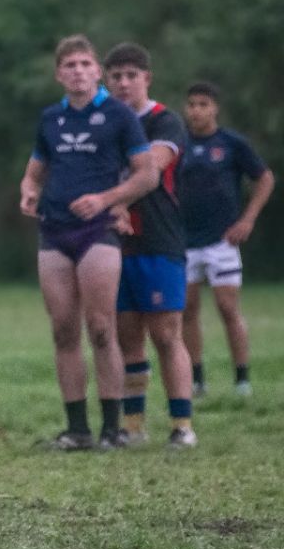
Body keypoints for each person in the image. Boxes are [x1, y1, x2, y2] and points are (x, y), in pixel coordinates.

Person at [19, 34, 157, 450]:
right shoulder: (50, 120)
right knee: (63, 330)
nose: (78, 72)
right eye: (69, 66)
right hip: (54, 230)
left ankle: (112, 429)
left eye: (85, 64)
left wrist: (106, 199)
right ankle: (77, 429)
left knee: (100, 327)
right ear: (59, 74)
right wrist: (28, 188)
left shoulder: (118, 116)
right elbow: (36, 170)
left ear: (97, 71)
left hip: (98, 231)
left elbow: (146, 175)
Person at [102, 43, 196, 448]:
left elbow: (152, 168)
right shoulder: (103, 123)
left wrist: (116, 201)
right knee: (127, 336)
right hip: (115, 244)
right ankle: (134, 426)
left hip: (159, 241)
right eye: (116, 76)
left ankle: (182, 426)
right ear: (107, 81)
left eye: (131, 76)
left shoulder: (164, 121)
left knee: (166, 334)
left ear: (147, 79)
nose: (123, 84)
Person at [179, 81, 275, 398]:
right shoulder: (176, 144)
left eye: (203, 104)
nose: (196, 110)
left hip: (223, 242)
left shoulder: (231, 143)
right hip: (184, 241)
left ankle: (242, 380)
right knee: (187, 310)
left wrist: (247, 219)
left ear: (215, 108)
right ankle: (196, 379)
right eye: (192, 104)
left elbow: (264, 178)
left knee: (227, 308)